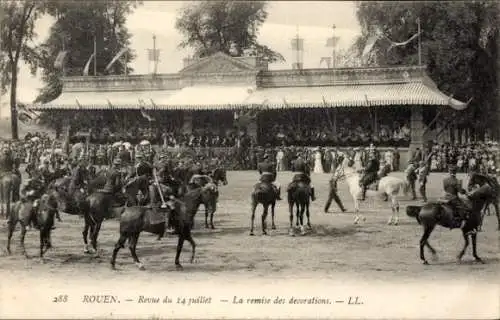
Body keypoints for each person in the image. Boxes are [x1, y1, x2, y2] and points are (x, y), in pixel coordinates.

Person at [443, 165, 471, 229]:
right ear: (455, 172)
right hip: (454, 198)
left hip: (446, 197)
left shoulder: (445, 180)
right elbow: (460, 191)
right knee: (465, 207)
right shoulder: (457, 181)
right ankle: (461, 222)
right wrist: (465, 191)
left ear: (449, 172)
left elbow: (445, 189)